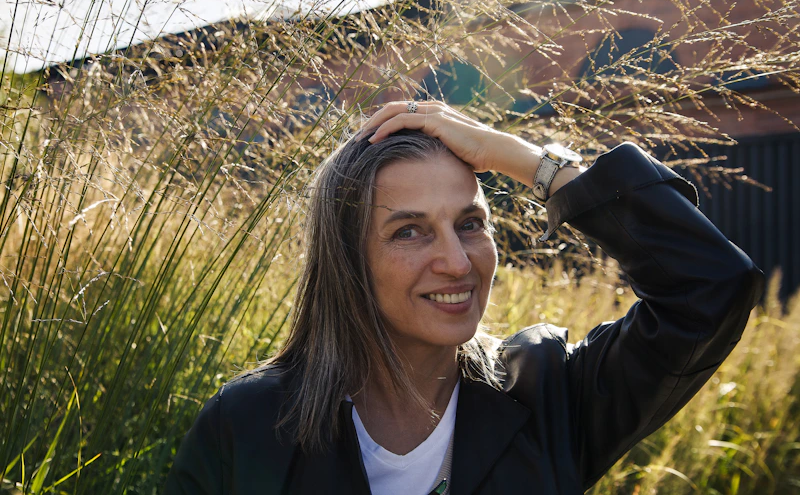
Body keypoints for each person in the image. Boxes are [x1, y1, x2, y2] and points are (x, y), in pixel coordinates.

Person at [164, 100, 764, 494]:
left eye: (470, 224)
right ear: (347, 259)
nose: (457, 262)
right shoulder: (247, 427)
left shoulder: (552, 396)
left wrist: (526, 159)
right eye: (409, 231)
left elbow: (710, 285)